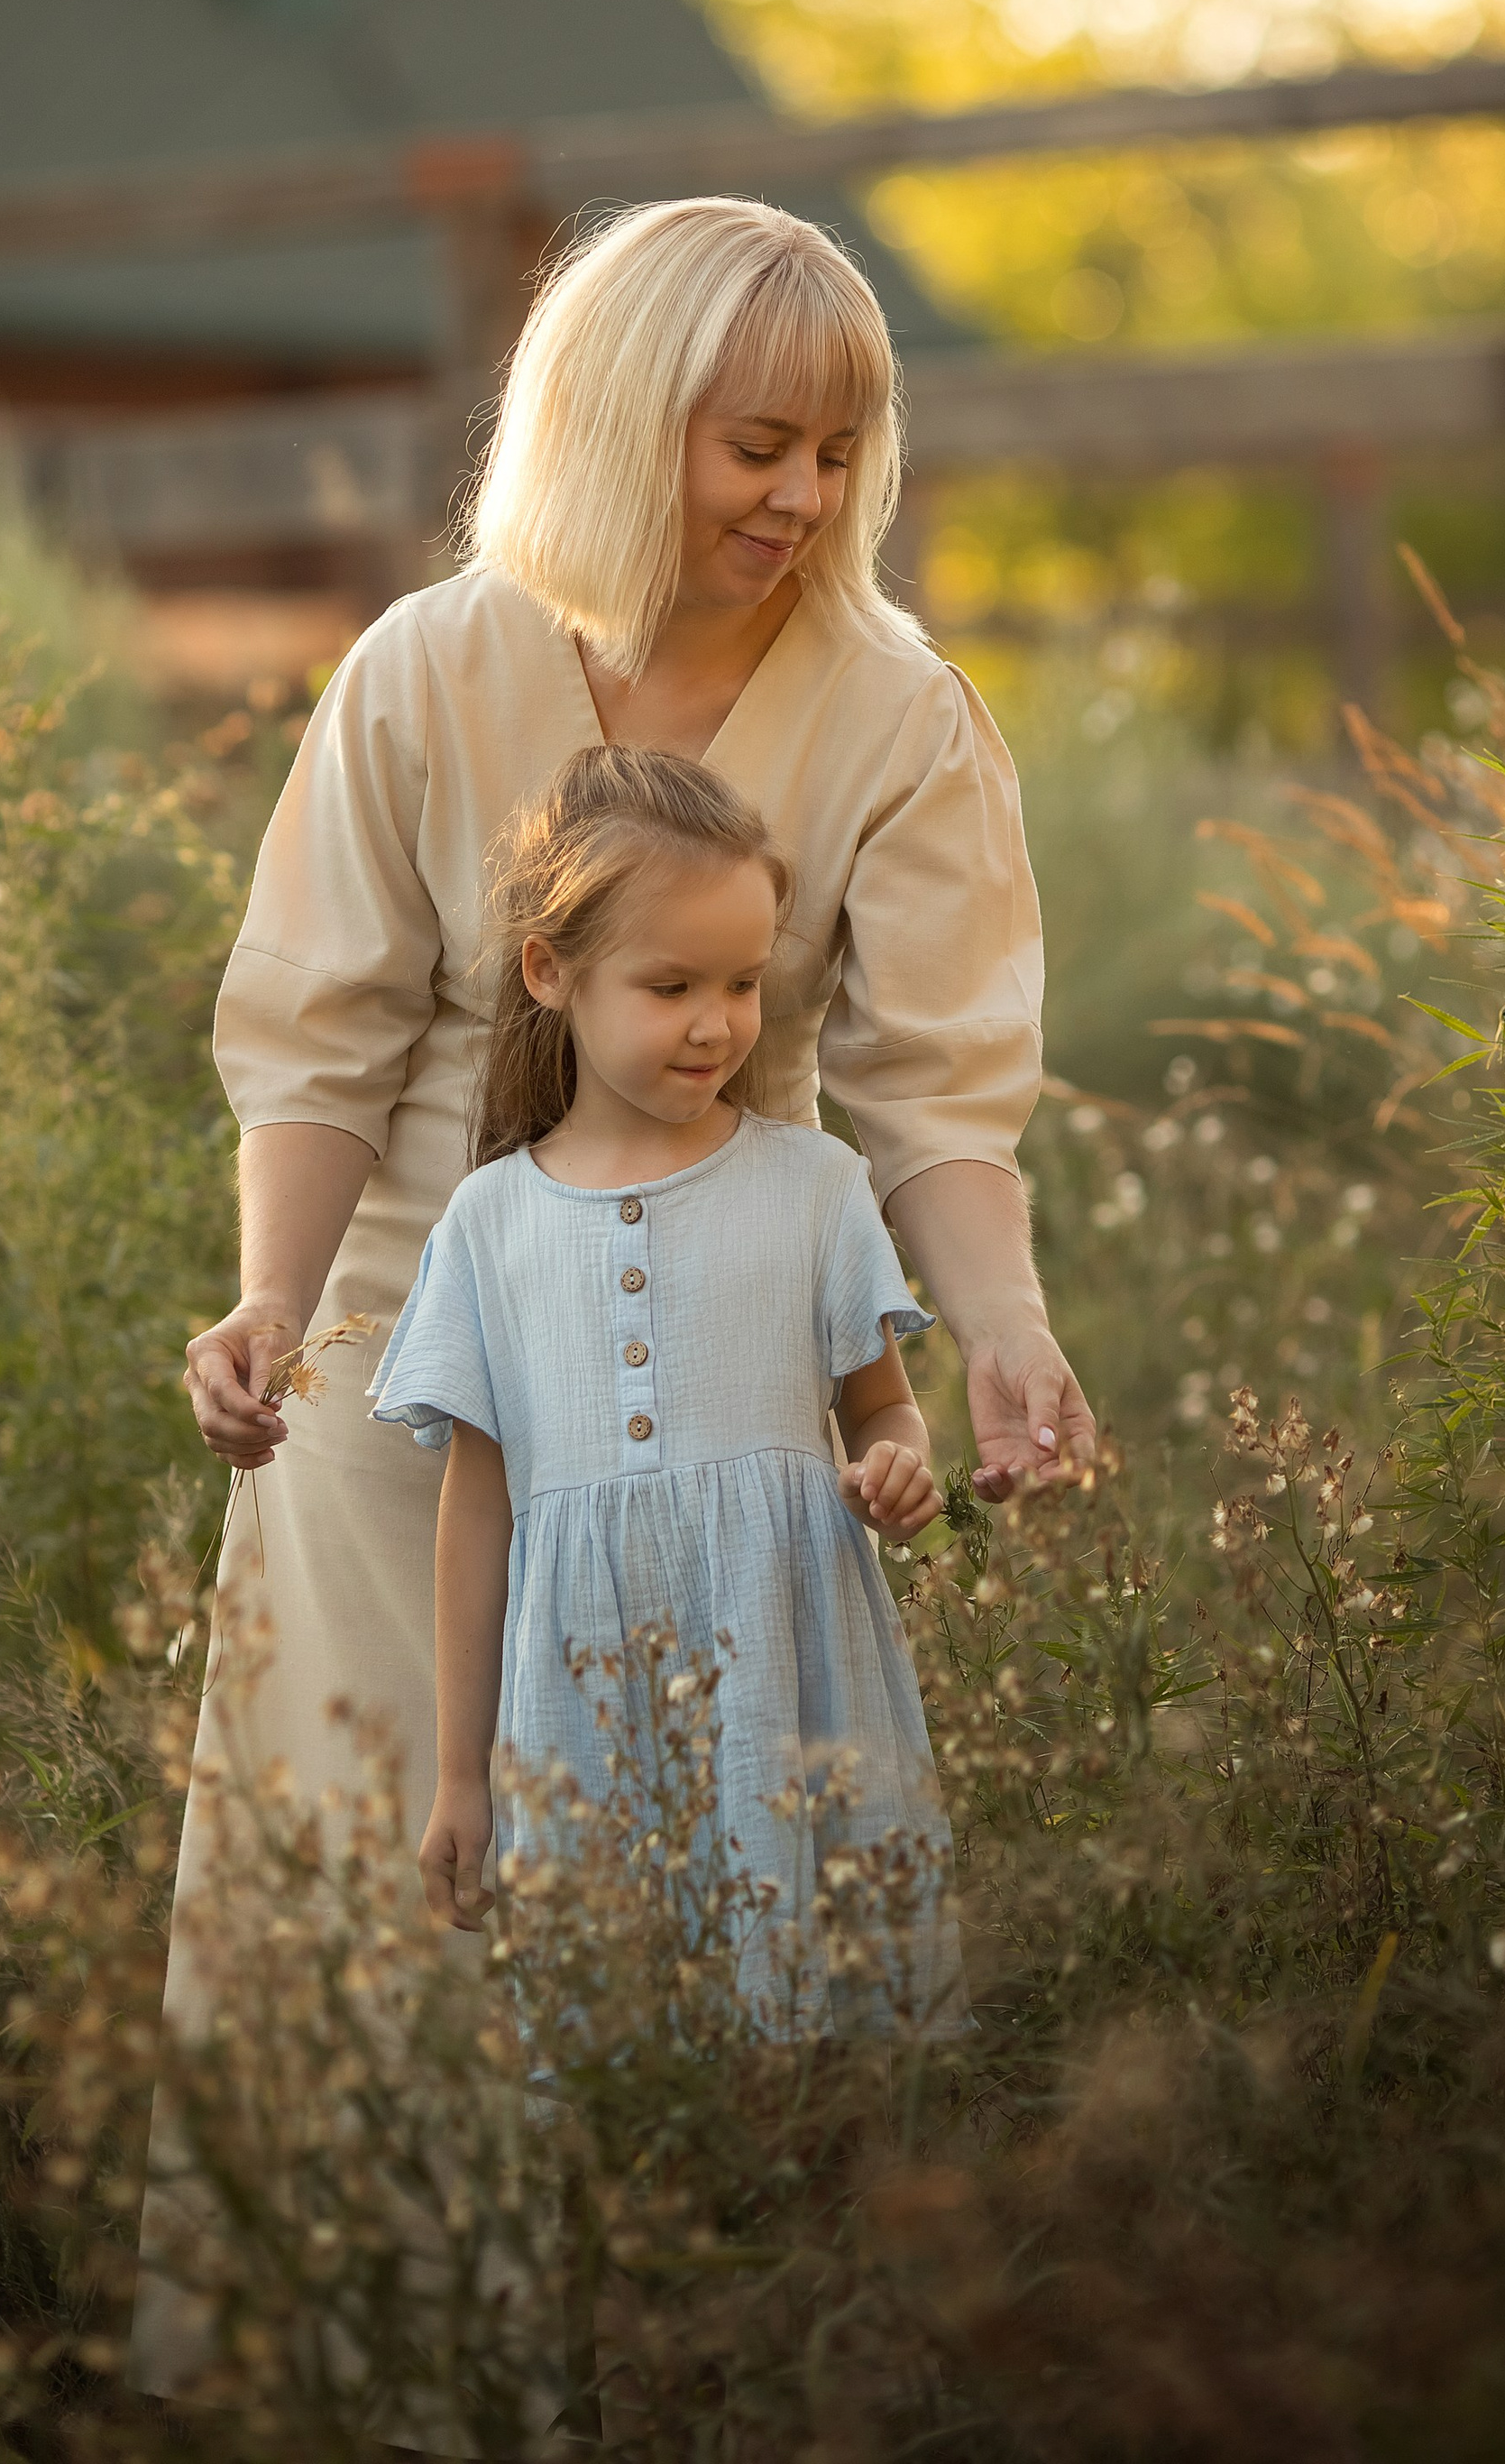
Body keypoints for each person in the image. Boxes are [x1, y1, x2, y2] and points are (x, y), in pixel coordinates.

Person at [134, 194, 1092, 2393]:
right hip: (403, 1376)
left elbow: (938, 1097)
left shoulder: (896, 715)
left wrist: (1007, 1333)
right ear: (614, 417)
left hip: (712, 1408)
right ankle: (367, 2380)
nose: (801, 498)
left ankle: (663, 2366)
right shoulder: (425, 668)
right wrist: (269, 1312)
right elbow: (319, 1034)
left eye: (839, 453)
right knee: (398, 1876)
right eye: (755, 442)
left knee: (687, 1885)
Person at [373, 743, 956, 2035]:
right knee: (622, 2070)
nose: (717, 1022)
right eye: (672, 984)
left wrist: (898, 1465)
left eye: (745, 983)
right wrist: (460, 1778)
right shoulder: (488, 1225)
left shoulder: (813, 1186)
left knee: (822, 2046)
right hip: (579, 1722)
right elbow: (478, 1516)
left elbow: (881, 1408)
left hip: (789, 1692)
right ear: (551, 972)